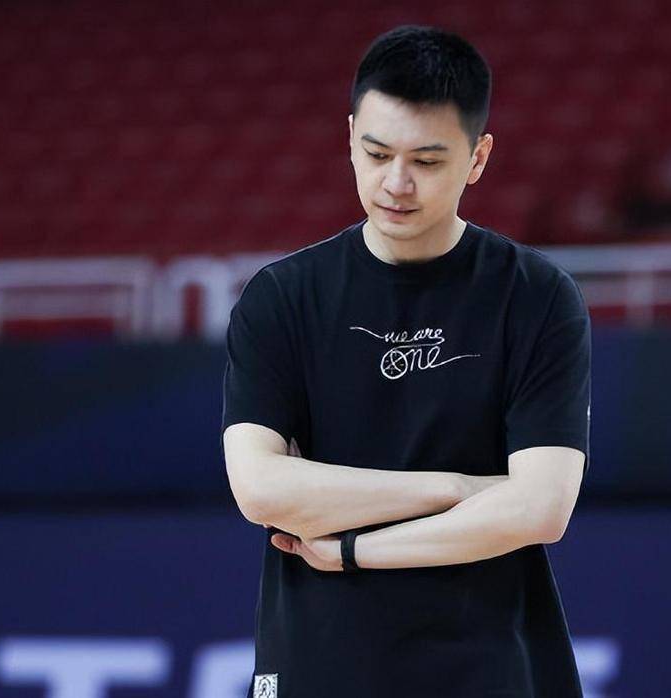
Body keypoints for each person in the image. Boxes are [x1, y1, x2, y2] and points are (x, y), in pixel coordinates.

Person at [221, 24, 591, 698]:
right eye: (376, 153)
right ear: (349, 136)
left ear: (477, 158)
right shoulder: (282, 298)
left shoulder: (537, 297)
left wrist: (353, 549)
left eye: (427, 161)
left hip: (487, 668)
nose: (396, 183)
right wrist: (458, 489)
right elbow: (260, 490)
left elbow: (541, 508)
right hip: (320, 664)